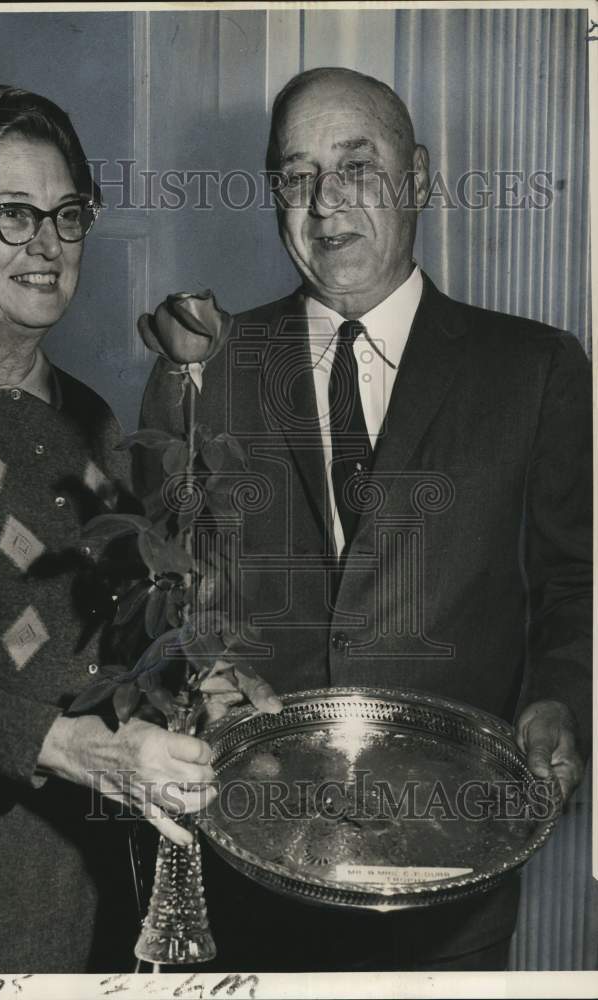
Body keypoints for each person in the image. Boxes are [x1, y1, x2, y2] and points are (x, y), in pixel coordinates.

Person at [138, 67, 592, 970]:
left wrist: (559, 700)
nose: (325, 205)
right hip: (249, 867)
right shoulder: (205, 368)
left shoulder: (533, 369)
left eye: (356, 167)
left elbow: (575, 580)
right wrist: (197, 668)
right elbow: (158, 581)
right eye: (296, 176)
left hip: (446, 874)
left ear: (418, 178)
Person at [0, 80, 246, 975]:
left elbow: (98, 637)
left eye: (68, 215)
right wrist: (69, 745)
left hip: (102, 897)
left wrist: (189, 679)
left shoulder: (92, 419)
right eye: (10, 215)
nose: (48, 245)